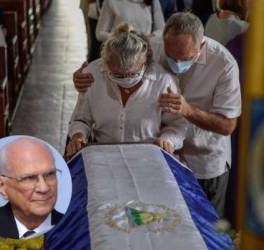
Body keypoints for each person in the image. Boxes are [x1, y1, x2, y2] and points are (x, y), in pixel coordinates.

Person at [72, 12, 241, 217]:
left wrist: (186, 111)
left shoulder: (224, 64)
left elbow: (228, 126)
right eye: (170, 57)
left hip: (203, 157)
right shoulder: (151, 46)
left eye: (184, 59)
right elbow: (121, 51)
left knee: (203, 224)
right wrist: (81, 79)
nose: (176, 64)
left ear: (201, 48)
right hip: (157, 163)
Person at [66, 23, 186, 159]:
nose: (125, 80)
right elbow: (81, 119)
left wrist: (168, 139)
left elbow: (177, 125)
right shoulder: (92, 75)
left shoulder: (163, 82)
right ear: (105, 64)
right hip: (104, 155)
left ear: (144, 64)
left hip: (147, 156)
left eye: (132, 74)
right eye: (117, 75)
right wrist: (79, 135)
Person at [0, 137, 63, 239]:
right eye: (29, 178)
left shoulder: (74, 223)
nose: (44, 188)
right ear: (2, 186)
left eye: (50, 174)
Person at [96, 0, 165, 43]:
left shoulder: (153, 1)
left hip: (144, 54)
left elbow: (161, 29)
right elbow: (100, 33)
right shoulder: (112, 1)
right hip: (119, 53)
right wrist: (122, 39)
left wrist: (151, 37)